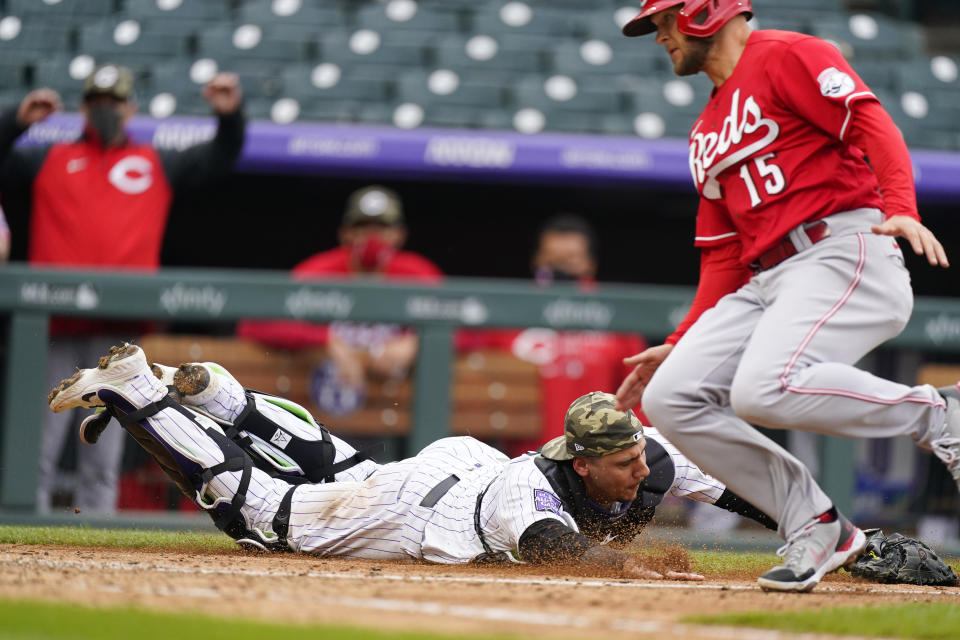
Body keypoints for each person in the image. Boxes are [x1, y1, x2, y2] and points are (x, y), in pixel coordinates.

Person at [613, 0, 959, 593]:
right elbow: (723, 253)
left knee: (762, 388)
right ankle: (817, 525)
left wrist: (901, 206)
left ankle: (942, 416)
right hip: (767, 276)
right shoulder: (706, 128)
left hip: (842, 245)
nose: (659, 36)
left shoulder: (788, 54)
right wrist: (679, 340)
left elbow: (873, 124)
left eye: (665, 21)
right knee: (673, 399)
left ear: (703, 11)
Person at [47, 342, 784, 578]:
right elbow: (556, 548)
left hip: (449, 471)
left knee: (340, 468)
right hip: (420, 508)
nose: (640, 466)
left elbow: (736, 489)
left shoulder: (647, 453)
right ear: (580, 464)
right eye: (620, 461)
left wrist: (802, 519)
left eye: (637, 451)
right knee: (260, 512)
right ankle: (137, 389)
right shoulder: (532, 493)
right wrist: (641, 569)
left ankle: (223, 401)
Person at [0, 63, 246, 514]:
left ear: (130, 108)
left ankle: (94, 535)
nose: (105, 110)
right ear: (83, 107)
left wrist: (230, 117)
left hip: (119, 336)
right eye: (97, 102)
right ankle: (23, 534)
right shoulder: (49, 158)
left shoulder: (155, 160)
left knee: (104, 450)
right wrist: (16, 120)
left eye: (114, 102)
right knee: (38, 444)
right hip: (54, 321)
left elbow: (219, 158)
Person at [236, 185, 442, 417]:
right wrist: (326, 340)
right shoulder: (320, 271)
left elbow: (481, 328)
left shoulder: (417, 274)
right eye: (362, 227)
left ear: (399, 234)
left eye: (383, 227)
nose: (372, 238)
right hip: (322, 409)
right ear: (345, 233)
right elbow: (254, 323)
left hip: (395, 414)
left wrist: (420, 342)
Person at [457, 214, 647, 457]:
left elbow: (637, 400)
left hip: (596, 459)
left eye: (570, 260)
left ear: (589, 263)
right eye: (553, 259)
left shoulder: (614, 316)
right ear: (537, 260)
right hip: (524, 460)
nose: (560, 268)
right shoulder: (510, 312)